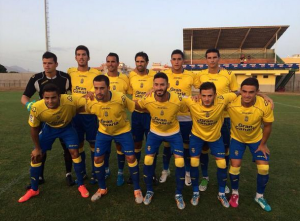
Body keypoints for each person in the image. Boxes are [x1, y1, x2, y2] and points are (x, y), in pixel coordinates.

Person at [18, 84, 89, 203]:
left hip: (67, 128)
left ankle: (81, 185)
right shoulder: (36, 107)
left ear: (59, 96)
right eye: (47, 98)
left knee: (75, 153)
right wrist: (37, 148)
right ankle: (34, 189)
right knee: (36, 156)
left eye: (53, 98)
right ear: (43, 97)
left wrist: (90, 96)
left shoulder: (70, 100)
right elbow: (34, 128)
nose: (50, 101)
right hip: (49, 129)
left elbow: (87, 102)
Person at [85, 75, 143, 204]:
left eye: (102, 88)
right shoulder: (91, 101)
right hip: (104, 132)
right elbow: (86, 110)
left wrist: (153, 107)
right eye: (96, 88)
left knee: (131, 158)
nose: (99, 91)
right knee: (97, 158)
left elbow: (135, 106)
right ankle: (102, 188)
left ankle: (137, 189)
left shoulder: (120, 97)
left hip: (123, 131)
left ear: (108, 88)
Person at [21, 51, 75, 187]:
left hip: (63, 118)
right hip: (44, 118)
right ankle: (39, 176)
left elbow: (72, 96)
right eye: (44, 63)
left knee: (68, 148)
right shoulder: (36, 78)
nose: (47, 66)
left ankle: (69, 174)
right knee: (40, 148)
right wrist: (29, 105)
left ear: (56, 64)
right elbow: (24, 96)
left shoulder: (65, 78)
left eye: (50, 63)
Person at [135, 72, 187, 210]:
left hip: (173, 132)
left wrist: (198, 97)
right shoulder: (147, 98)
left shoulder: (177, 99)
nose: (159, 87)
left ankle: (178, 194)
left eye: (162, 84)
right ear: (153, 86)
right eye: (156, 84)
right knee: (147, 160)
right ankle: (149, 190)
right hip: (155, 132)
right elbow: (136, 105)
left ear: (168, 86)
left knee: (180, 161)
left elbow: (189, 104)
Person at [183, 82, 237, 208]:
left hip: (215, 137)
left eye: (210, 96)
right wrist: (152, 90)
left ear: (215, 95)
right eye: (204, 95)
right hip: (196, 136)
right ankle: (196, 192)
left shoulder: (223, 100)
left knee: (222, 163)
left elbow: (239, 93)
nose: (207, 99)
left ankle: (221, 193)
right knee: (194, 163)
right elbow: (172, 96)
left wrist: (262, 95)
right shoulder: (192, 101)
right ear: (199, 95)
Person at [227, 77, 274, 212]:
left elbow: (268, 126)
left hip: (256, 139)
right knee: (234, 167)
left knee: (264, 168)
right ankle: (235, 193)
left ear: (257, 92)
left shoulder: (264, 105)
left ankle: (259, 196)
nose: (247, 95)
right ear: (240, 90)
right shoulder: (232, 102)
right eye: (244, 91)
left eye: (251, 92)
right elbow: (214, 98)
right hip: (237, 139)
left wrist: (263, 144)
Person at [197, 48, 238, 192]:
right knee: (204, 148)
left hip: (224, 118)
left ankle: (223, 180)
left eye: (215, 57)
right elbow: (196, 92)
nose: (212, 60)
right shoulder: (201, 75)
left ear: (219, 58)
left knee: (224, 150)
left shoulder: (228, 75)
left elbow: (236, 92)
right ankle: (205, 177)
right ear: (206, 60)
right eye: (209, 57)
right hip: (205, 118)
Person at [159, 49, 200, 186]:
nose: (176, 62)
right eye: (174, 59)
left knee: (186, 146)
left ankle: (187, 173)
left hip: (186, 117)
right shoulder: (165, 75)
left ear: (183, 61)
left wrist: (198, 96)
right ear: (171, 61)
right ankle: (165, 170)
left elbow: (204, 87)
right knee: (166, 145)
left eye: (179, 59)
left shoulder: (190, 75)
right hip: (170, 116)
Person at [68, 45, 101, 184]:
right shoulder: (70, 72)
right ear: (75, 57)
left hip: (90, 115)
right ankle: (82, 173)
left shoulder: (95, 74)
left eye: (84, 54)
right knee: (78, 145)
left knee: (93, 144)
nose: (81, 57)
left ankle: (95, 173)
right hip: (75, 115)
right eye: (78, 54)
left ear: (88, 57)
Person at [126, 52, 158, 186]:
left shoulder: (153, 76)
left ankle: (152, 174)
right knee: (136, 144)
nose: (140, 64)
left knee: (151, 146)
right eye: (137, 61)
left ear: (147, 62)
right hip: (137, 116)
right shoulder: (131, 76)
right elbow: (130, 94)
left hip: (150, 116)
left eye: (142, 61)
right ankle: (135, 172)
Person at [103, 52, 130, 183]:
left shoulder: (125, 78)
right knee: (106, 148)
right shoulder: (101, 78)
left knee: (120, 148)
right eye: (108, 61)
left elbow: (132, 93)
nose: (110, 64)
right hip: (104, 122)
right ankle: (106, 170)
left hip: (120, 122)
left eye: (113, 61)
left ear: (118, 63)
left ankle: (120, 172)